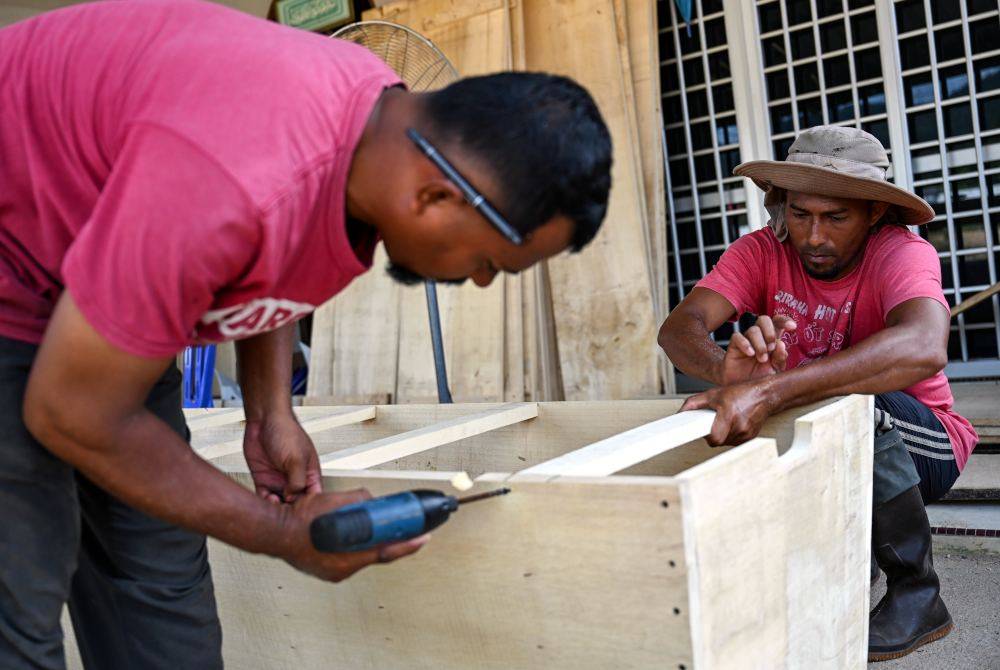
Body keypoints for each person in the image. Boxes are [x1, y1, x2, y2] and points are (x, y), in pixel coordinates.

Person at [0, 1, 613, 667]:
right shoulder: (227, 181)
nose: (484, 281)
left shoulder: (372, 130)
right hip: (15, 279)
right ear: (436, 198)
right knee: (20, 598)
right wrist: (283, 533)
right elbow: (73, 411)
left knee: (159, 587)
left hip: (98, 285)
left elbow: (281, 238)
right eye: (492, 262)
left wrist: (269, 411)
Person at [658, 125, 978, 662]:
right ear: (782, 204)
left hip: (925, 442)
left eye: (836, 217)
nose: (813, 236)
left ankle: (918, 593)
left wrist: (772, 389)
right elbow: (679, 328)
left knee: (851, 411)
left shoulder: (902, 252)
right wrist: (728, 374)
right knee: (729, 413)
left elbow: (925, 346)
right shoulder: (761, 251)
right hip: (822, 423)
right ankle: (846, 551)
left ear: (874, 212)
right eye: (801, 214)